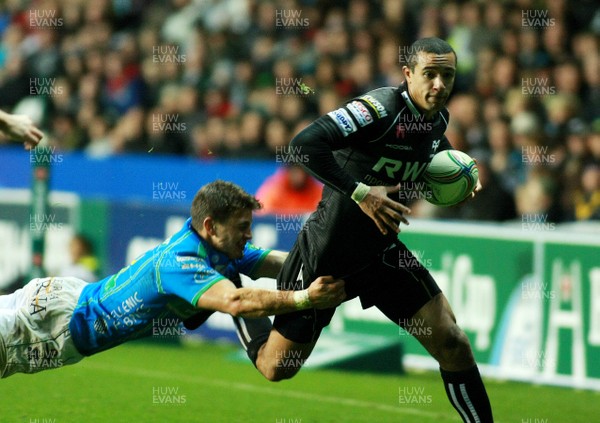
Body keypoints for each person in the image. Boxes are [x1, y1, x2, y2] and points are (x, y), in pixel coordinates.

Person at [237, 38, 494, 422]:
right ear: (408, 75)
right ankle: (237, 299)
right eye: (430, 74)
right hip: (328, 253)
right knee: (277, 367)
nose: (439, 84)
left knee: (452, 342)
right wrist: (362, 194)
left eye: (447, 75)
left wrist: (460, 176)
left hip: (381, 253)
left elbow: (434, 153)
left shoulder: (437, 120)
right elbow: (303, 145)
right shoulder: (378, 109)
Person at [0, 180, 345, 378]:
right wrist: (304, 299)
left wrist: (324, 265)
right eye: (242, 228)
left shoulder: (207, 243)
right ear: (211, 226)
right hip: (56, 325)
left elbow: (271, 262)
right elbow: (236, 301)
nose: (248, 235)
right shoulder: (179, 263)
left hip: (65, 297)